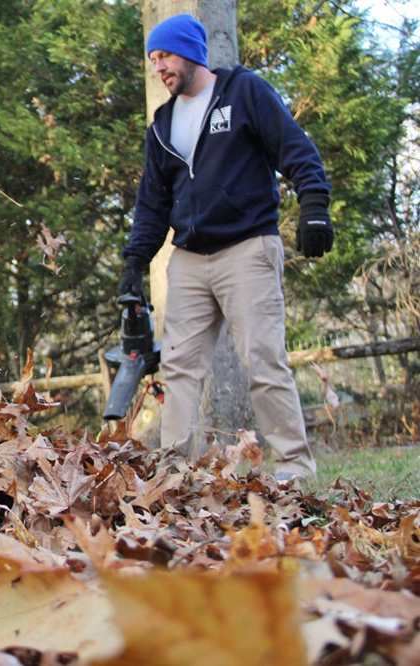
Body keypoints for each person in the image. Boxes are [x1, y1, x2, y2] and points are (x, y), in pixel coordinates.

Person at [118, 13, 333, 480]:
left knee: (263, 361)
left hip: (247, 249)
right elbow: (152, 204)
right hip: (191, 259)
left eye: (166, 56)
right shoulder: (162, 124)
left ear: (192, 52)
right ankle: (174, 474)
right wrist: (136, 262)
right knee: (179, 370)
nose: (160, 67)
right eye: (153, 60)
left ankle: (295, 470)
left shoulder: (244, 93)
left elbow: (295, 149)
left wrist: (314, 204)